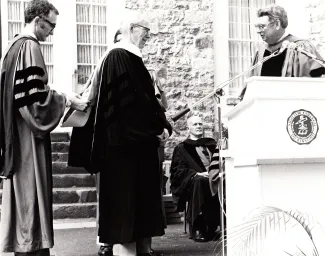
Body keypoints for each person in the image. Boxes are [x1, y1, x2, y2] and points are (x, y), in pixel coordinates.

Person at [68, 14, 172, 256]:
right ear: (133, 29)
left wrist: (161, 124)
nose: (148, 37)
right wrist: (154, 129)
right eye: (146, 31)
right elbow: (128, 108)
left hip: (136, 147)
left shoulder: (131, 58)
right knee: (126, 213)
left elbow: (146, 101)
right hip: (125, 150)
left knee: (140, 210)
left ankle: (142, 249)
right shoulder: (118, 56)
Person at [0, 1, 89, 255]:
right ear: (38, 20)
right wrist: (66, 99)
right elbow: (35, 102)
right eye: (51, 25)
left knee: (22, 202)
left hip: (14, 135)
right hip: (28, 137)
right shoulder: (30, 47)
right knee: (31, 197)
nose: (52, 31)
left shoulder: (11, 47)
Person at [239, 4, 325, 99]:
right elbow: (251, 86)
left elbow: (313, 85)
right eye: (257, 27)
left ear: (277, 24)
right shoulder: (261, 51)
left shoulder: (300, 47)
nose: (258, 31)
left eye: (262, 26)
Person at [169, 115, 221, 242]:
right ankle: (198, 228)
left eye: (200, 124)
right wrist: (196, 174)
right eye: (195, 124)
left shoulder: (212, 144)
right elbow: (177, 170)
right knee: (201, 181)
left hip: (215, 177)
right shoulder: (182, 148)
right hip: (194, 182)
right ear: (188, 128)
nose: (198, 126)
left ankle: (214, 228)